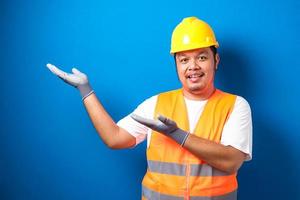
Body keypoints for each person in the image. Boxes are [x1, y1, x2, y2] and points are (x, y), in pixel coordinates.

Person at [47, 16, 252, 200]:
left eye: (202, 57)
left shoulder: (235, 106)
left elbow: (231, 161)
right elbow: (114, 137)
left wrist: (177, 135)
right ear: (176, 65)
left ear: (215, 60)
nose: (193, 66)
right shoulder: (156, 104)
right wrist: (86, 91)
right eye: (184, 60)